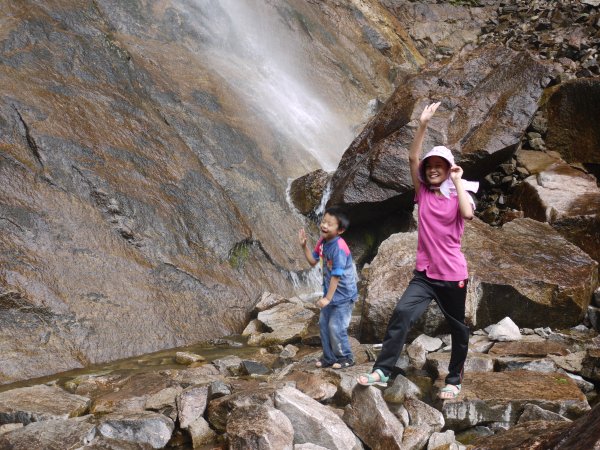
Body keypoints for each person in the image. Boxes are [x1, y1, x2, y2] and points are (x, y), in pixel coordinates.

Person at [357, 102, 478, 400]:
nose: (433, 169)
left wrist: (458, 181)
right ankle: (383, 371)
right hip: (424, 275)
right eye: (430, 166)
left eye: (440, 166)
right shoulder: (422, 194)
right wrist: (422, 125)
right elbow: (412, 156)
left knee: (457, 328)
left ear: (449, 170)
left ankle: (454, 380)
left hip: (451, 275)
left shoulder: (460, 195)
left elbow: (468, 214)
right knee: (401, 313)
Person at [299, 206, 358, 369]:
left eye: (329, 224)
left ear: (340, 230)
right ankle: (329, 357)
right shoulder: (323, 242)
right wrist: (304, 246)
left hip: (344, 296)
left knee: (336, 326)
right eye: (324, 221)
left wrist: (327, 298)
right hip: (330, 294)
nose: (324, 225)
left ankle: (346, 357)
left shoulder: (339, 248)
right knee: (324, 324)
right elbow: (312, 261)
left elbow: (336, 276)